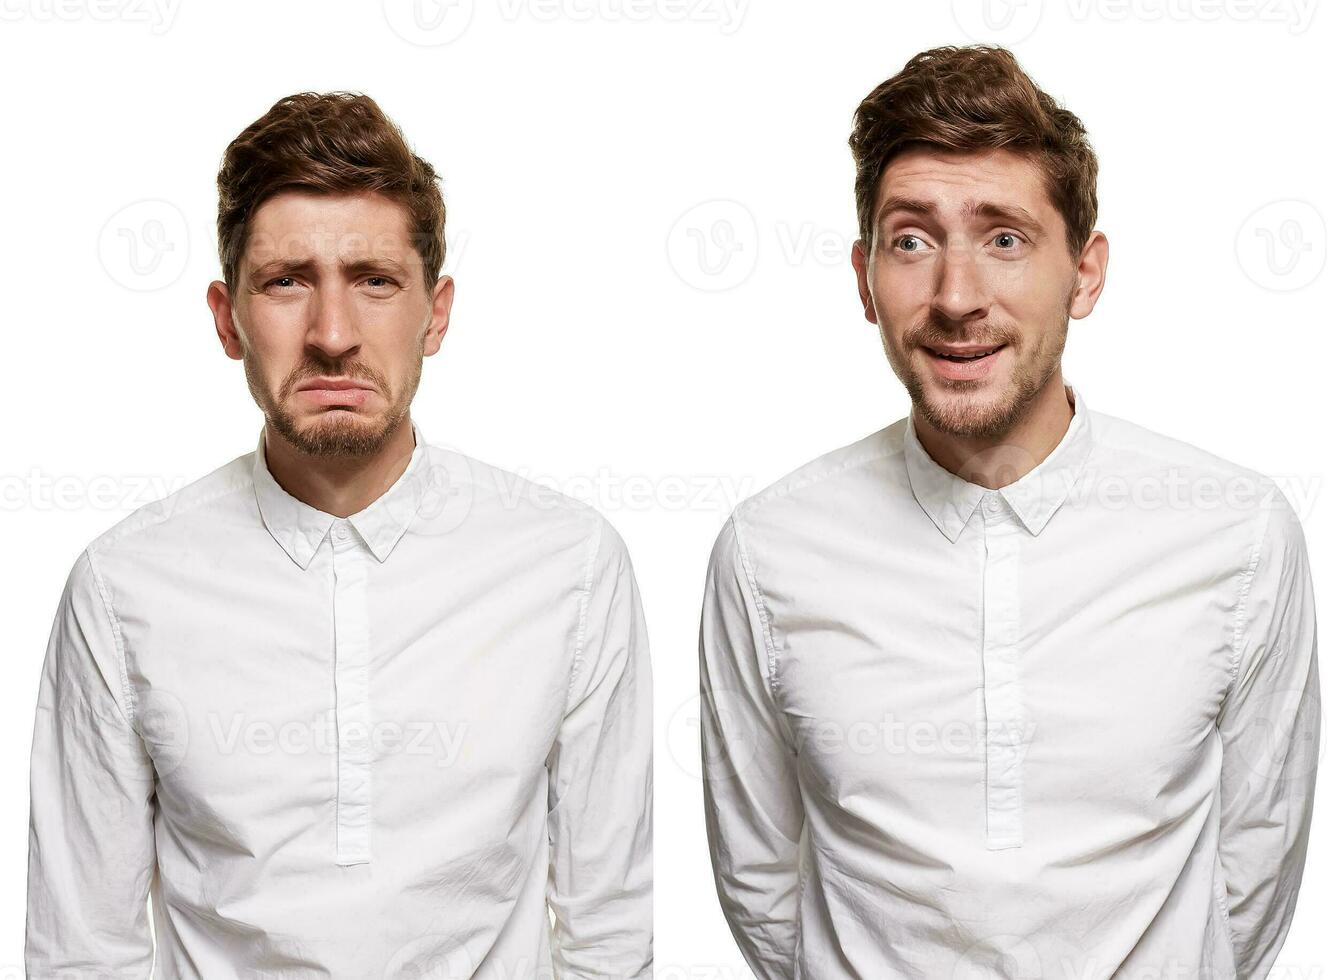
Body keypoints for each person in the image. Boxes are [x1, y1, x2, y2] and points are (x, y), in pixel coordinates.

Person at [698, 44, 1318, 980]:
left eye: (1004, 238)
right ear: (864, 277)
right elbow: (760, 877)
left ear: (1084, 272)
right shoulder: (768, 551)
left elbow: (1253, 866)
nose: (956, 298)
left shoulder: (1233, 533)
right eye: (911, 240)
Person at [26, 91, 653, 978]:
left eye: (373, 281)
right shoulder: (124, 587)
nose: (331, 336)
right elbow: (80, 948)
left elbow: (610, 930)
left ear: (434, 313)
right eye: (287, 282)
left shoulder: (570, 568)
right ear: (224, 316)